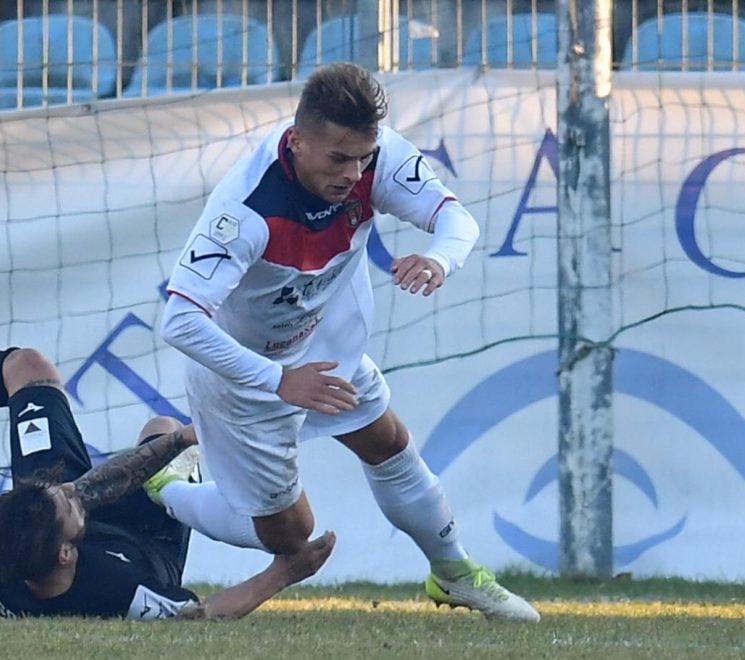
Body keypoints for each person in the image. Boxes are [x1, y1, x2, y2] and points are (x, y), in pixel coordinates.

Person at [159, 62, 539, 621]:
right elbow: (180, 321)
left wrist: (438, 259)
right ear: (297, 141)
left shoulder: (377, 157)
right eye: (339, 158)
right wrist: (278, 380)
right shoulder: (244, 211)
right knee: (290, 535)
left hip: (324, 349)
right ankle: (166, 487)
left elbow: (458, 221)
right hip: (245, 379)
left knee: (388, 441)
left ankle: (454, 572)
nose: (353, 174)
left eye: (362, 157)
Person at [0, 269, 336, 620]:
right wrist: (285, 572)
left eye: (62, 490)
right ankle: (174, 486)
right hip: (148, 541)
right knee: (162, 428)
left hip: (51, 524)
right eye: (68, 500)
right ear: (66, 555)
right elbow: (201, 615)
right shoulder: (118, 591)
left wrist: (181, 438)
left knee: (28, 366)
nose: (72, 489)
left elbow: (81, 494)